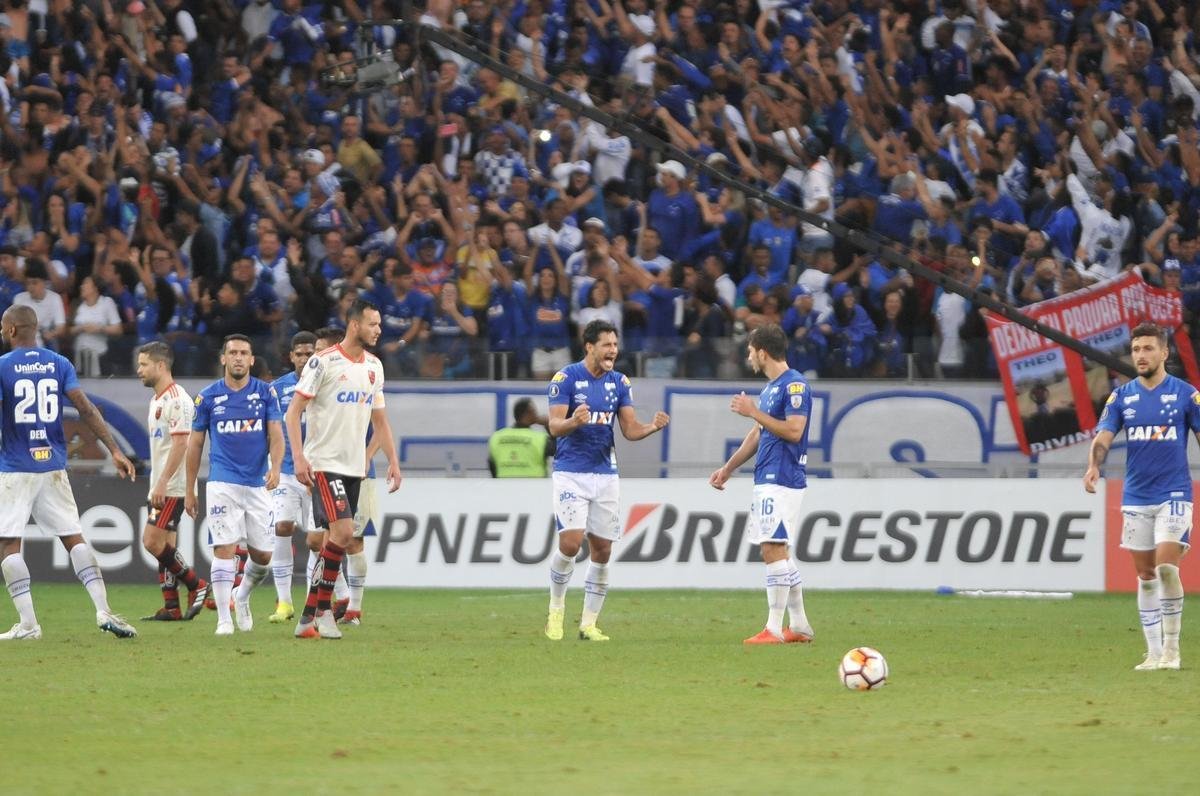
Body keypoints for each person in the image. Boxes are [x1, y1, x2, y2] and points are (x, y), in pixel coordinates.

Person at [0, 305, 138, 640]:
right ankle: (103, 610)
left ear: (14, 330)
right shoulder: (58, 364)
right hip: (53, 466)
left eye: (3, 327)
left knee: (7, 544)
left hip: (16, 467)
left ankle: (29, 625)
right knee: (73, 536)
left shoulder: (3, 366)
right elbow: (86, 409)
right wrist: (116, 450)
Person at [544, 319, 670, 642]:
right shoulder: (566, 378)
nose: (613, 350)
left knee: (602, 551)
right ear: (590, 347)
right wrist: (574, 420)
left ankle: (588, 624)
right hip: (571, 472)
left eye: (615, 344)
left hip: (605, 474)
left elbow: (629, 430)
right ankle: (555, 612)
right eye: (607, 345)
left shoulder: (619, 382)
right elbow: (554, 427)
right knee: (570, 544)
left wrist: (652, 426)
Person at [1085, 323, 1200, 671]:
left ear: (1164, 353)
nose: (1141, 355)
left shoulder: (1186, 394)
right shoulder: (1121, 397)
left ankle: (1172, 650)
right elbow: (1104, 437)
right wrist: (1093, 466)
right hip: (1136, 496)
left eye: (1148, 348)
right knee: (1146, 575)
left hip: (1175, 492)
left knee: (1166, 567)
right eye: (1136, 350)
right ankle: (1152, 653)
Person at [285, 300, 402, 640]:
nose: (379, 329)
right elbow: (293, 413)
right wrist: (299, 457)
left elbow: (380, 420)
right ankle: (324, 613)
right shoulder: (323, 362)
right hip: (324, 463)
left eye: (379, 324)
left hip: (354, 467)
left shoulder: (374, 367)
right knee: (344, 532)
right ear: (355, 325)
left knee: (332, 539)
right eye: (373, 323)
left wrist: (392, 460)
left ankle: (307, 618)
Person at [708, 324, 814, 646]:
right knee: (779, 549)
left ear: (762, 352)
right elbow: (758, 434)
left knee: (772, 548)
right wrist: (728, 469)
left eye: (750, 350)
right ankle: (799, 625)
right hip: (767, 476)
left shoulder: (795, 385)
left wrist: (754, 411)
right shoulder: (770, 389)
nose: (748, 355)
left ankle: (774, 628)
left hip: (782, 477)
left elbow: (795, 431)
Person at [185, 334, 284, 636]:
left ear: (252, 360)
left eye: (244, 353)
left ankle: (242, 597)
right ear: (223, 359)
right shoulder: (207, 397)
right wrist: (190, 488)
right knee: (224, 548)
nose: (239, 358)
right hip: (222, 482)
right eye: (233, 353)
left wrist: (276, 467)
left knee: (264, 557)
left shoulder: (266, 393)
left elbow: (276, 434)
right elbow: (195, 443)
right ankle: (223, 620)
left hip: (258, 483)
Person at [136, 341, 209, 622]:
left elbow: (182, 445)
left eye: (143, 364)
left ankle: (196, 584)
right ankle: (172, 607)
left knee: (152, 541)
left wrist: (165, 483)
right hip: (162, 483)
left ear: (161, 365)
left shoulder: (178, 400)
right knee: (166, 544)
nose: (138, 370)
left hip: (172, 487)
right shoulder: (157, 399)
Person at [267, 331, 318, 624]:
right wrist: (270, 466)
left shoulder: (324, 384)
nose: (304, 359)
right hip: (286, 472)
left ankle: (315, 601)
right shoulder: (276, 389)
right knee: (282, 527)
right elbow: (269, 431)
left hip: (316, 473)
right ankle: (284, 602)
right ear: (291, 357)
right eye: (299, 354)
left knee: (317, 541)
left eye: (309, 353)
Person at [488, 398, 554, 477]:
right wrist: (548, 425)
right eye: (534, 411)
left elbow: (492, 464)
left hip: (504, 486)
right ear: (529, 412)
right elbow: (559, 450)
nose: (537, 414)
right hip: (534, 486)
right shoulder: (540, 439)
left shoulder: (496, 437)